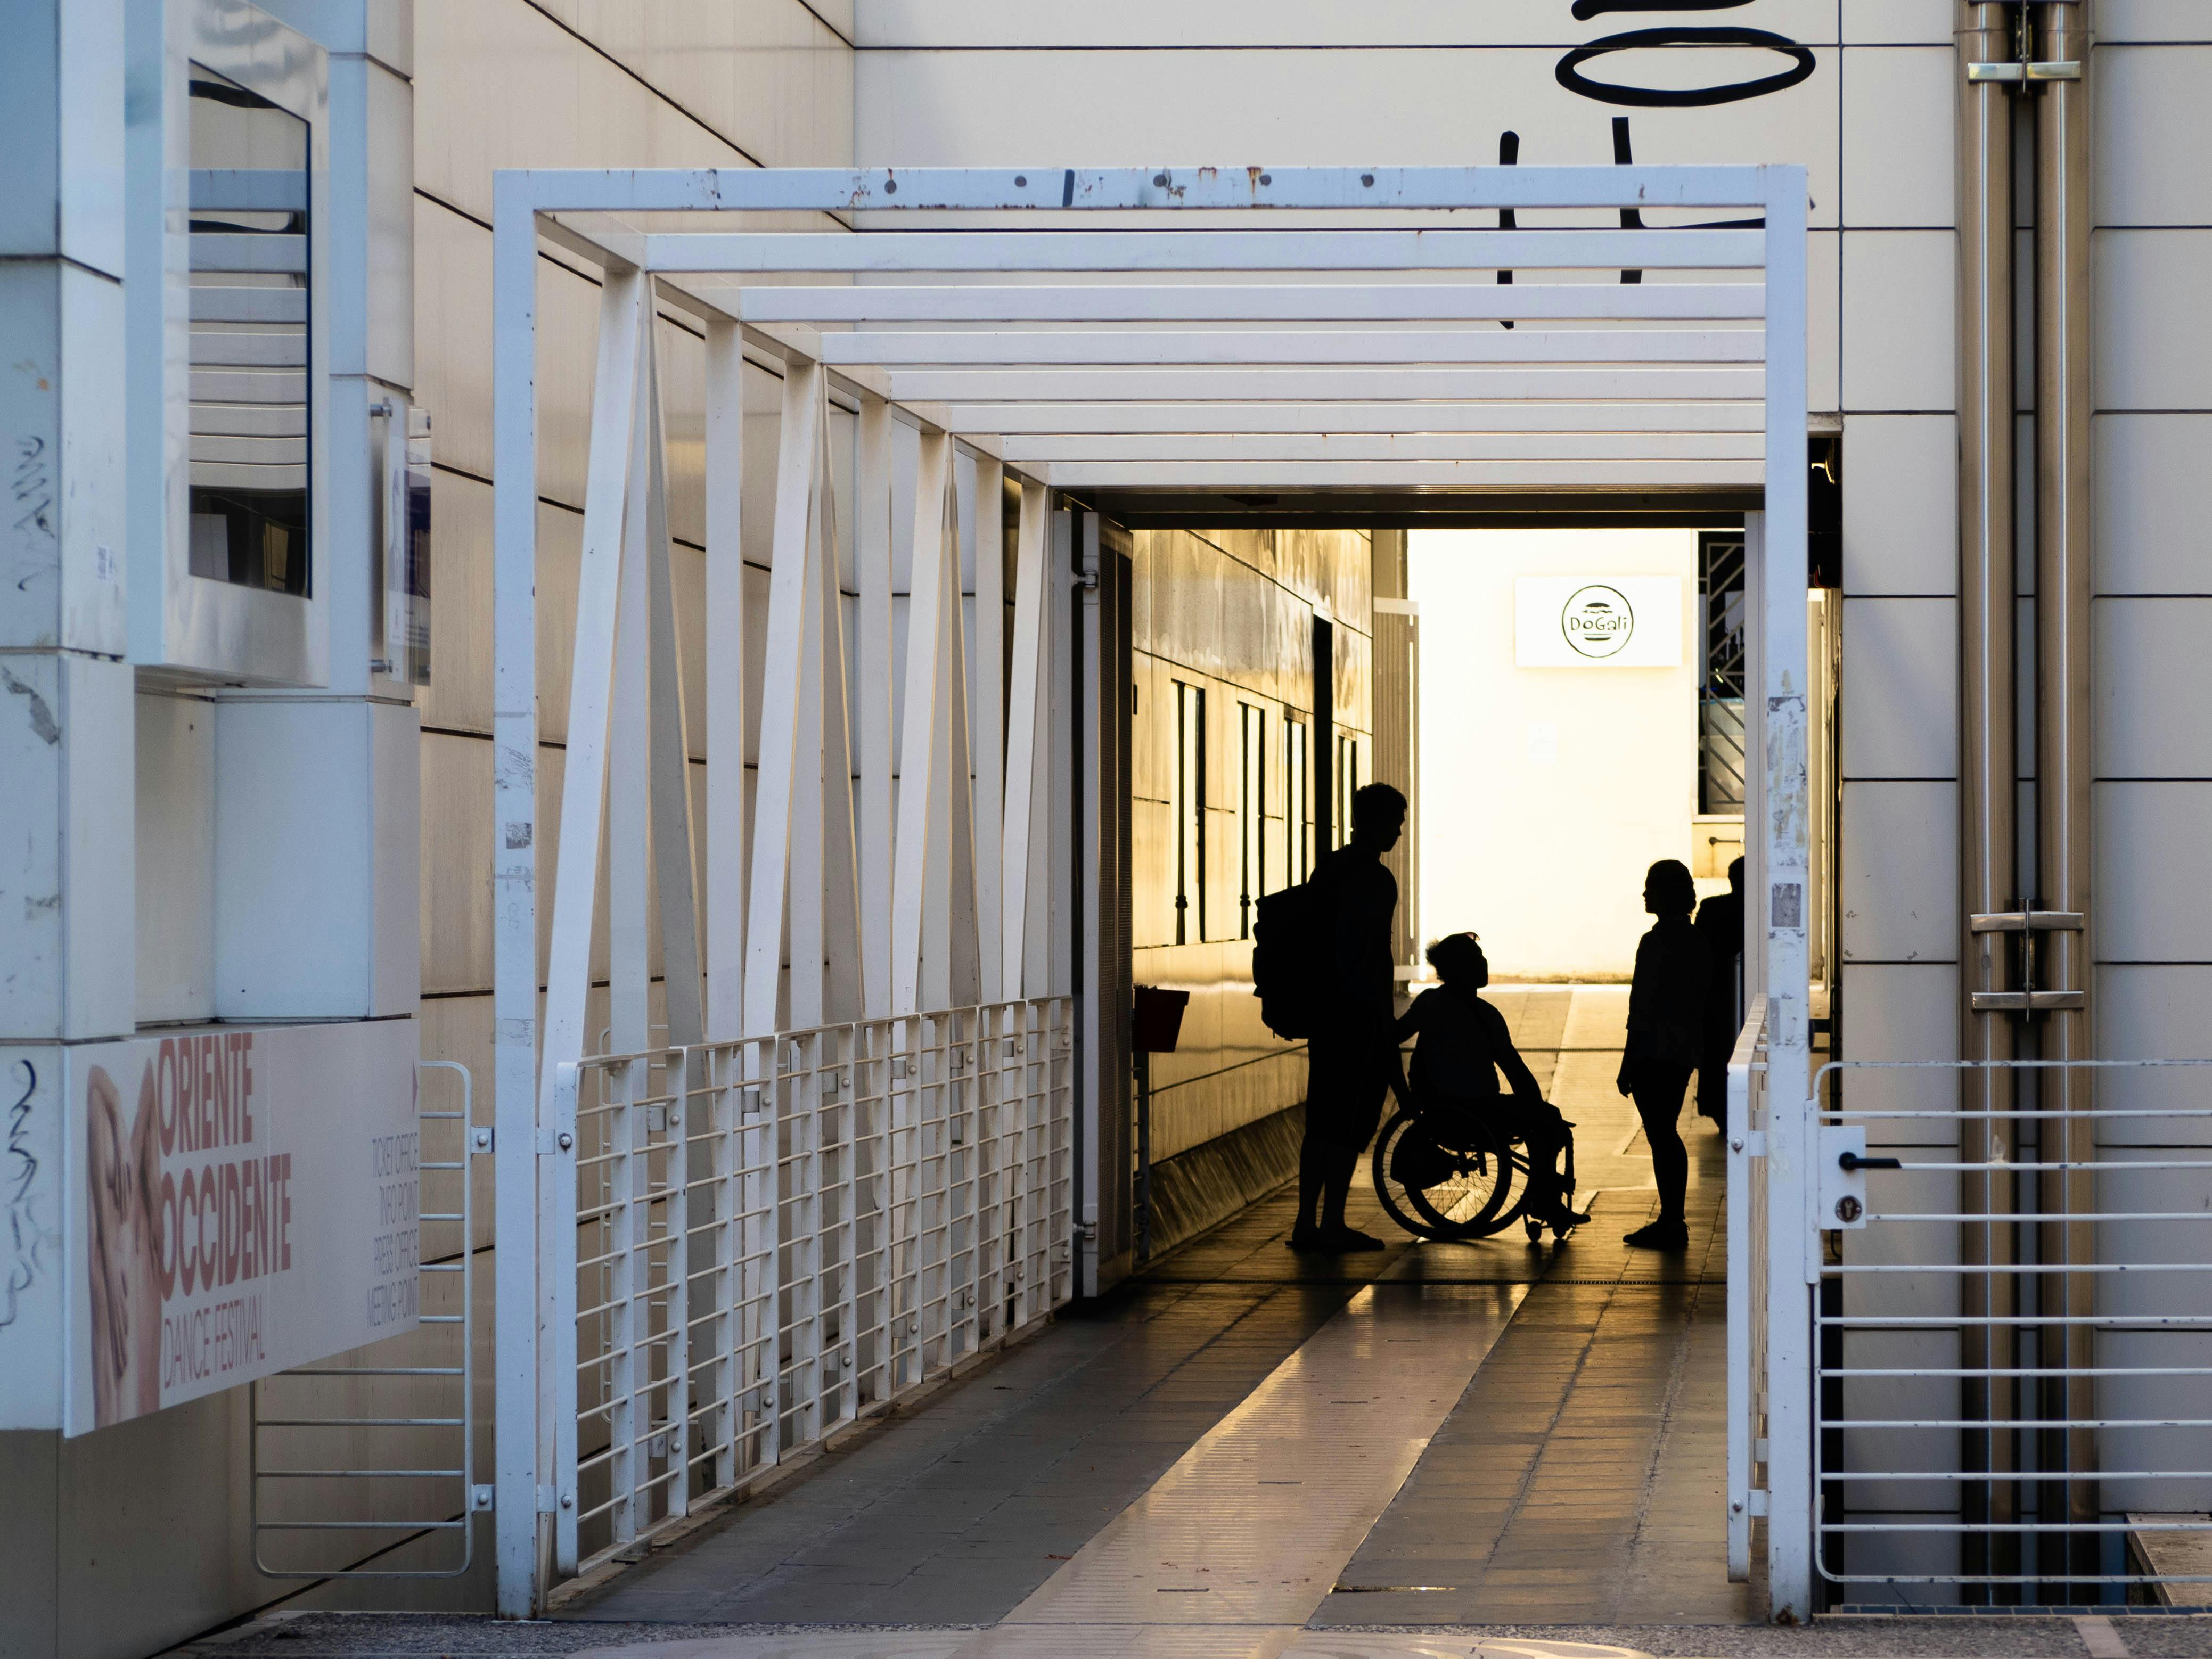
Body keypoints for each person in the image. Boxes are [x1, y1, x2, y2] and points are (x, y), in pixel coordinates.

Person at [1396, 932, 1588, 1231]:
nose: (1484, 963)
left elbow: (1396, 1035)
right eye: (1476, 959)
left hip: (1437, 1107)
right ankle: (1545, 1197)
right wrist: (1535, 1104)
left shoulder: (1431, 1003)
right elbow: (1515, 1069)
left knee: (1540, 1117)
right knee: (1548, 1120)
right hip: (1476, 1110)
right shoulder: (1486, 1015)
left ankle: (1544, 1196)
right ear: (1460, 969)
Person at [1291, 781, 1408, 1252]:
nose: (1399, 832)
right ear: (1375, 821)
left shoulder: (1331, 868)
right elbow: (1374, 955)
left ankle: (1306, 1223)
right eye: (1396, 822)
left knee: (1321, 1121)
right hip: (1357, 1016)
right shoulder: (1376, 880)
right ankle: (1333, 1223)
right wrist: (1384, 1021)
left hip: (1325, 1014)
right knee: (1348, 1125)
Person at [1618, 858, 1708, 1251]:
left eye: (1650, 887)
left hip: (1654, 1050)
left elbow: (1642, 1009)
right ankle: (1672, 1217)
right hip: (1682, 1048)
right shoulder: (1696, 941)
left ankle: (1672, 1219)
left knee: (1662, 1134)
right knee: (1664, 1132)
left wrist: (1628, 1062)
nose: (1644, 894)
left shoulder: (1654, 943)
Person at [1693, 856, 1747, 1128]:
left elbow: (1696, 952)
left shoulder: (1712, 908)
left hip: (1715, 996)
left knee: (1715, 1054)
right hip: (1743, 993)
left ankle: (1719, 1110)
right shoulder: (1760, 910)